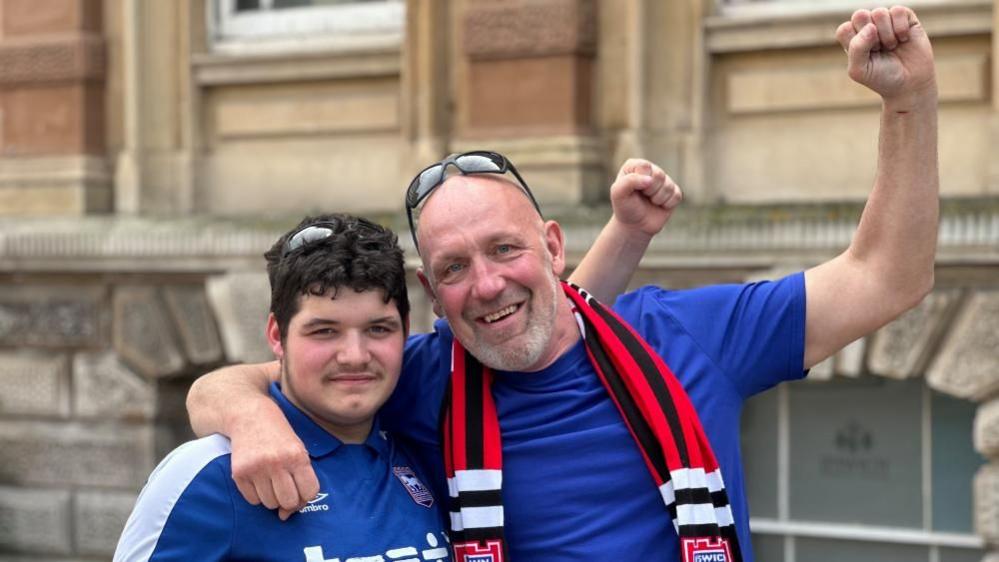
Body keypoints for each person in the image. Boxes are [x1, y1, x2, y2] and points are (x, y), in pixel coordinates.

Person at [186, 7, 938, 562]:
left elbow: (884, 278)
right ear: (428, 288)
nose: (485, 285)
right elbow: (243, 382)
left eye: (504, 249)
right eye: (453, 268)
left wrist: (908, 103)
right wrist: (251, 423)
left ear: (551, 245)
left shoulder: (687, 336)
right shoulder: (417, 376)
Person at [114, 215, 454, 561]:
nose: (355, 356)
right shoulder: (209, 474)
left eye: (379, 329)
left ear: (406, 329)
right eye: (325, 331)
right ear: (277, 335)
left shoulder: (424, 441)